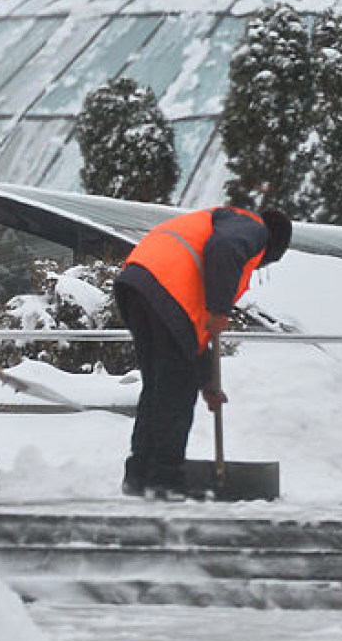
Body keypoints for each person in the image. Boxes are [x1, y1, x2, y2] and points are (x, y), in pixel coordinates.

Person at [114, 205, 291, 500]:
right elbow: (224, 250)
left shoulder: (220, 222)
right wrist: (220, 309)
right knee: (175, 391)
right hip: (165, 287)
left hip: (138, 281)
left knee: (159, 387)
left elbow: (192, 335)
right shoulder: (253, 228)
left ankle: (139, 474)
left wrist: (208, 382)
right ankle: (165, 479)